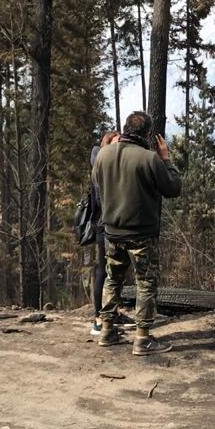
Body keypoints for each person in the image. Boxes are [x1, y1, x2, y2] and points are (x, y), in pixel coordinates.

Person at [92, 111, 182, 356]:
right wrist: (166, 159)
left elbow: (98, 186)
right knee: (145, 283)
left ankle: (107, 330)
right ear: (147, 134)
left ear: (125, 129)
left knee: (112, 279)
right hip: (142, 233)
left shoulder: (102, 155)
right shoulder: (149, 159)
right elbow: (173, 188)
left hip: (112, 231)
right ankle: (142, 338)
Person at [88, 132, 136, 335]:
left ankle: (112, 314)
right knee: (104, 272)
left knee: (114, 272)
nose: (120, 148)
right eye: (116, 143)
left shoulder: (109, 167)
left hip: (112, 225)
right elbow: (103, 200)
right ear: (106, 145)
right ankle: (99, 319)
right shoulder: (101, 168)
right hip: (104, 225)